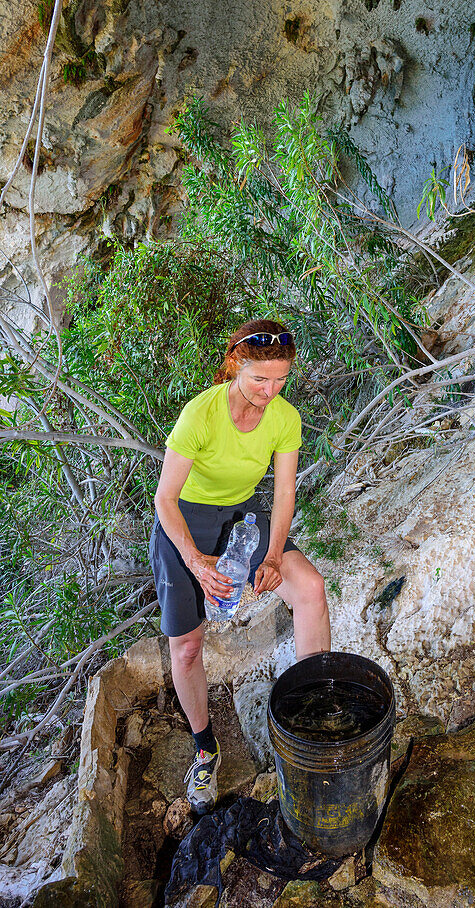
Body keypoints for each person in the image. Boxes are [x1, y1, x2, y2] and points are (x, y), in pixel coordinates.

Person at [149, 320, 331, 814]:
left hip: (239, 519)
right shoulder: (200, 415)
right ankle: (206, 748)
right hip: (183, 524)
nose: (270, 391)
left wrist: (272, 555)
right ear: (235, 366)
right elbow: (164, 499)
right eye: (259, 380)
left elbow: (286, 491)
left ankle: (311, 714)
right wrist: (195, 560)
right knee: (186, 647)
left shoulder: (284, 417)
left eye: (280, 380)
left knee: (310, 588)